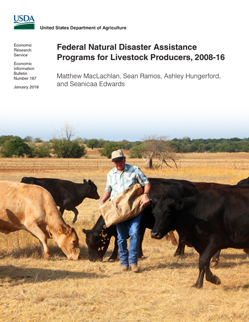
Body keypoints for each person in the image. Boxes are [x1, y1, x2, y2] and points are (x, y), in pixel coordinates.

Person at [98, 149, 150, 273]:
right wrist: (102, 201)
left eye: (120, 160)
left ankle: (133, 263)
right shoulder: (111, 174)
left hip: (133, 208)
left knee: (135, 233)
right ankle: (124, 262)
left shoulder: (135, 170)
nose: (118, 163)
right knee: (120, 237)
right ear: (112, 162)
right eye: (115, 161)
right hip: (118, 210)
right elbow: (108, 189)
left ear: (124, 159)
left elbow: (146, 183)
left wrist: (145, 194)